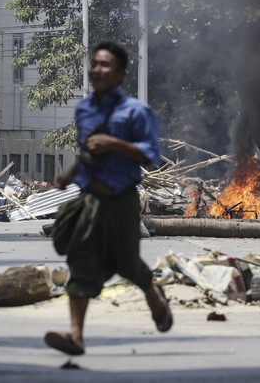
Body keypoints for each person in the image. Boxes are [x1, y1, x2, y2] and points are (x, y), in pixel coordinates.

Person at [45, 41, 172, 356]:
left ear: (120, 75)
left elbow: (151, 155)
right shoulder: (84, 109)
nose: (97, 70)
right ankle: (76, 335)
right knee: (81, 259)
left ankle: (153, 294)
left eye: (105, 65)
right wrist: (69, 175)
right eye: (95, 64)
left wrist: (115, 143)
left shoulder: (136, 112)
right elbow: (88, 152)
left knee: (127, 262)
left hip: (122, 201)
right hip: (89, 201)